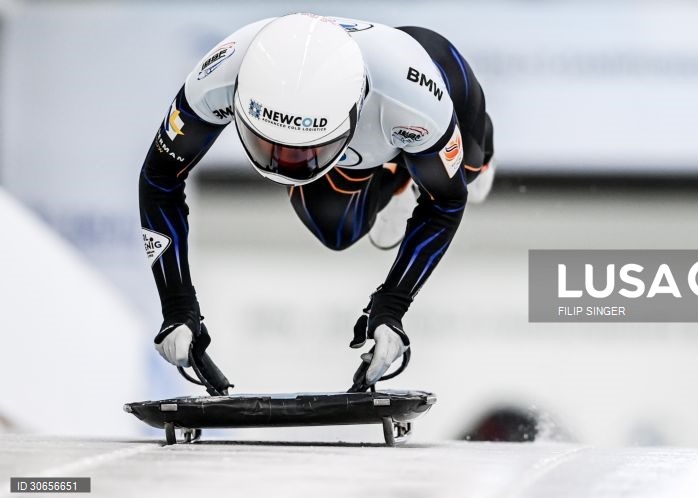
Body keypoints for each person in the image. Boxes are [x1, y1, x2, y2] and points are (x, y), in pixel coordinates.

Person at [139, 13, 495, 392]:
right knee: (337, 231)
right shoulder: (221, 76)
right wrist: (177, 307)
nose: (282, 161)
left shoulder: (416, 104)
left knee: (468, 174)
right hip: (364, 145)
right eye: (269, 145)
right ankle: (396, 180)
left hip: (428, 82)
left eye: (302, 152)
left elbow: (446, 204)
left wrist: (392, 306)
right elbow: (159, 177)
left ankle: (418, 167)